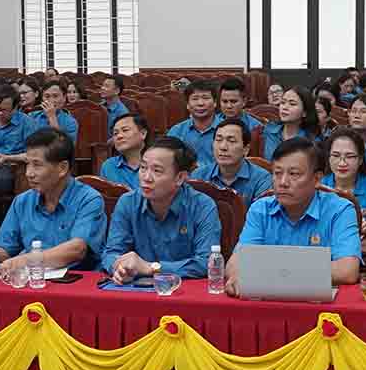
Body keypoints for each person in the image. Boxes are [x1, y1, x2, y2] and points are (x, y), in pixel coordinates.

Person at [0, 129, 108, 272]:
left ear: (62, 168)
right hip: (32, 280)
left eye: (37, 165)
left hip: (76, 283)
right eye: (27, 164)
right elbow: (5, 248)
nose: (29, 173)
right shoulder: (22, 201)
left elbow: (77, 249)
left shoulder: (89, 199)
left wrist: (27, 260)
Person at [226, 138, 362, 294]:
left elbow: (347, 271)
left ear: (317, 179)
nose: (283, 182)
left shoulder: (340, 210)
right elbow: (235, 264)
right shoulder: (261, 209)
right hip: (268, 305)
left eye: (294, 174)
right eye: (277, 173)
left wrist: (270, 271)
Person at [100, 135, 221, 281]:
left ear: (180, 178)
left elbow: (207, 262)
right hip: (136, 289)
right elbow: (111, 253)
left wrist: (151, 268)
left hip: (182, 291)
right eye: (143, 168)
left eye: (157, 171)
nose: (146, 177)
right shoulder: (127, 202)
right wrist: (120, 268)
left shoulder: (202, 206)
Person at [191, 119, 273, 205]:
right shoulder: (199, 176)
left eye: (231, 141)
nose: (223, 147)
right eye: (219, 140)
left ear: (246, 149)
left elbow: (261, 215)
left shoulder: (262, 180)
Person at [0, 84, 34, 196]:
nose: (0, 113)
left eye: (5, 110)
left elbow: (33, 154)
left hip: (12, 167)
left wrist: (8, 158)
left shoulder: (26, 123)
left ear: (15, 108)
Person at [321, 128, 366, 211]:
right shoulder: (318, 188)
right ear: (329, 158)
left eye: (349, 156)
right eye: (336, 156)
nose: (342, 163)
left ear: (360, 159)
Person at [168, 79, 222, 168]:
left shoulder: (227, 129)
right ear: (187, 105)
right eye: (195, 99)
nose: (200, 103)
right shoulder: (176, 131)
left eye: (206, 98)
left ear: (215, 103)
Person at [262, 86, 321, 160]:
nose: (285, 107)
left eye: (292, 104)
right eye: (283, 102)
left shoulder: (311, 142)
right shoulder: (268, 130)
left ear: (304, 113)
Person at [100, 113, 148, 190]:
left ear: (143, 133)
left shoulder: (157, 162)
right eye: (115, 133)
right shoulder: (109, 166)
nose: (119, 136)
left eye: (125, 130)